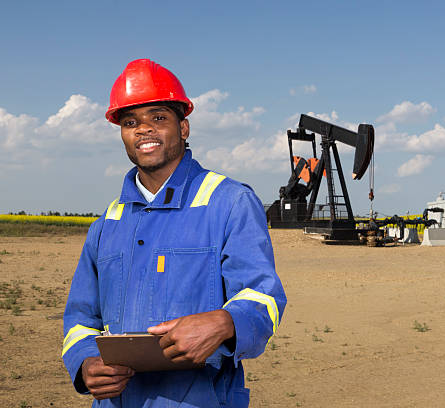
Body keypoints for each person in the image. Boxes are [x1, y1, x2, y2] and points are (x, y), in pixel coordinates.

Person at [62, 58, 286, 408]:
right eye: (131, 121)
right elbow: (80, 317)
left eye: (159, 118)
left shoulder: (228, 202)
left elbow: (263, 297)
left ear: (183, 128)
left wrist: (225, 322)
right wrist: (86, 362)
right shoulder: (107, 223)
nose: (144, 129)